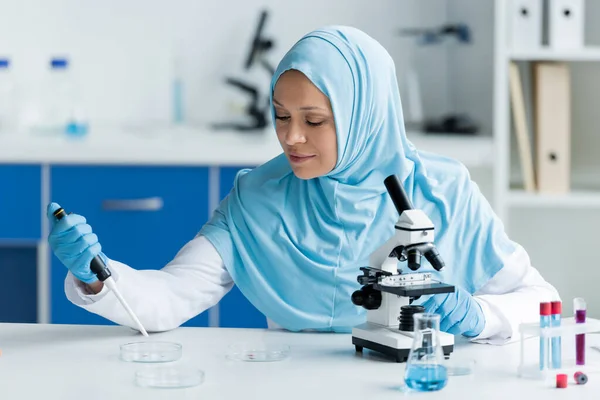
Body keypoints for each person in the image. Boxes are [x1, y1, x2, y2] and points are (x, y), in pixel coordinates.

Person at [47, 26, 558, 344]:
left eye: (314, 121)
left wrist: (479, 316)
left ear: (364, 116)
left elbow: (542, 301)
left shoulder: (443, 190)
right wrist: (98, 274)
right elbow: (173, 295)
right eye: (281, 115)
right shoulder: (259, 196)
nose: (291, 138)